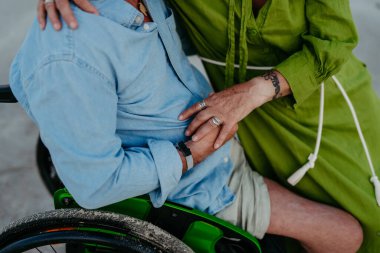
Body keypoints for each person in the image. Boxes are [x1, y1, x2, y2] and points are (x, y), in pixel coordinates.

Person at [12, 0, 364, 252]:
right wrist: (186, 154)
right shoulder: (70, 52)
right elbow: (96, 184)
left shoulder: (138, 4)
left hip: (222, 155)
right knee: (345, 234)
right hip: (196, 188)